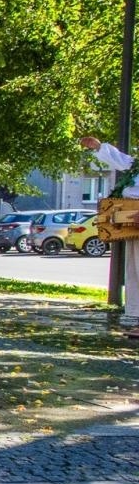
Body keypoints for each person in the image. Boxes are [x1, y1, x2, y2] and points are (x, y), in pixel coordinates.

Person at [80, 134, 138, 336]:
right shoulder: (136, 165)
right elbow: (122, 160)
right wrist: (99, 147)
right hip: (132, 221)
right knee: (135, 270)